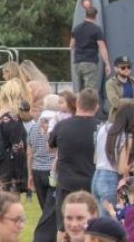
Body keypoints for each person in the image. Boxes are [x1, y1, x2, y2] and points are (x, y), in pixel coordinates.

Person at [49, 89, 100, 238]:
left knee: (63, 226)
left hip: (66, 182)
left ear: (77, 103)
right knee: (91, 225)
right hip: (92, 181)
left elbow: (50, 146)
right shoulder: (101, 127)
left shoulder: (62, 126)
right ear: (96, 106)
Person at [91, 100, 134, 217]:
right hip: (110, 179)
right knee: (111, 223)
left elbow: (95, 158)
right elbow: (121, 169)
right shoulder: (123, 137)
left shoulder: (103, 128)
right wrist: (131, 160)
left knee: (99, 221)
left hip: (97, 176)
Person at [0, 81, 28, 193]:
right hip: (10, 166)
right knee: (10, 205)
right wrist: (21, 176)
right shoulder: (13, 118)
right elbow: (17, 148)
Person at [27, 95, 58, 211]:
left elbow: (30, 154)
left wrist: (30, 174)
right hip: (53, 170)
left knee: (44, 208)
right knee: (53, 208)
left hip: (37, 171)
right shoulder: (57, 125)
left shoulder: (33, 128)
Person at [70, 6, 111, 91]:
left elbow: (71, 45)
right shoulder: (96, 30)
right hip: (90, 62)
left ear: (86, 15)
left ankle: (79, 104)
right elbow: (102, 48)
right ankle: (90, 104)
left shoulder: (77, 28)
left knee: (80, 90)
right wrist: (107, 64)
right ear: (95, 16)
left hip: (77, 63)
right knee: (90, 91)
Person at [105, 56, 134, 121]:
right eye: (123, 68)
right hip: (117, 118)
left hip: (133, 118)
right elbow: (115, 102)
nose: (126, 69)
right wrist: (133, 101)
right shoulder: (111, 83)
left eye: (129, 67)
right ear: (115, 69)